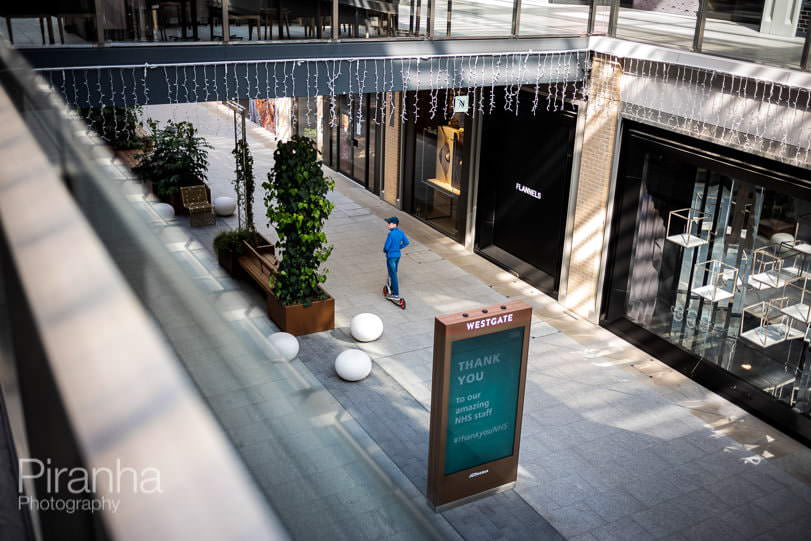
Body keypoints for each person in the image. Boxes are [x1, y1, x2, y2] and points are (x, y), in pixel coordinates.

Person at [383, 216, 409, 301]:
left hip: (391, 257)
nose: (388, 225)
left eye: (389, 224)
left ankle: (396, 294)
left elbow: (387, 247)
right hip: (398, 256)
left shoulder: (391, 234)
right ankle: (390, 286)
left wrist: (386, 250)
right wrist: (398, 247)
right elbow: (406, 242)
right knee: (393, 272)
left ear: (394, 224)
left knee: (393, 274)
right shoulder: (401, 232)